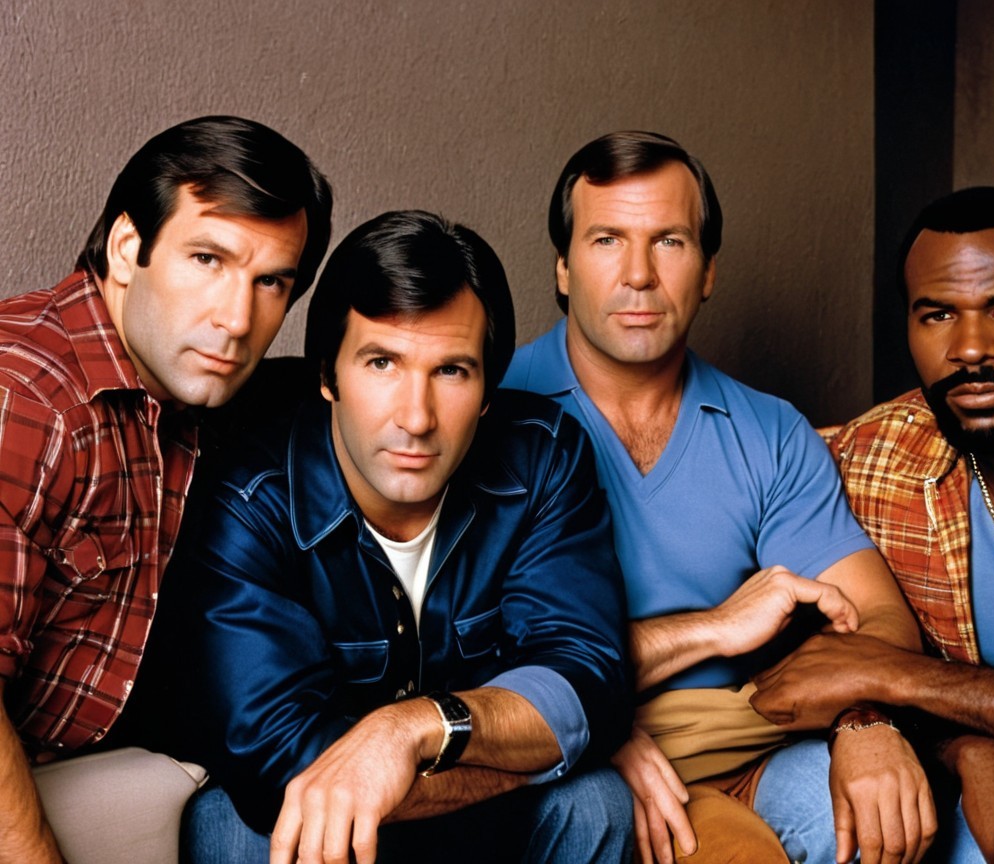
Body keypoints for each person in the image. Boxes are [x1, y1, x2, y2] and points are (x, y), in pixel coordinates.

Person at [502, 130, 934, 864]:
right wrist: (702, 638)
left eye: (669, 241)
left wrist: (865, 720)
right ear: (564, 268)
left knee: (884, 825)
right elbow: (468, 661)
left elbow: (879, 615)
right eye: (607, 240)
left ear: (707, 272)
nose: (638, 275)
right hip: (568, 753)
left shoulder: (766, 429)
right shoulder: (493, 412)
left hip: (747, 739)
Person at [162, 210, 634, 864]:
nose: (416, 417)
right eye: (382, 362)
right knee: (232, 824)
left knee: (595, 801)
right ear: (327, 374)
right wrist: (532, 753)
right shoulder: (251, 498)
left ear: (489, 390)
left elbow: (585, 680)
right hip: (333, 830)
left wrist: (410, 728)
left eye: (452, 372)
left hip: (481, 825)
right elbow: (280, 761)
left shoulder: (542, 457)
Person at [752, 186, 994, 863]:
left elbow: (876, 671)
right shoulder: (870, 461)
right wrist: (968, 748)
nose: (971, 349)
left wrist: (905, 680)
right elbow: (800, 673)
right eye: (938, 315)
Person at [0, 115, 332, 863]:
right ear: (127, 249)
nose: (237, 318)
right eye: (207, 259)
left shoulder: (182, 401)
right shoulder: (28, 401)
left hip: (82, 770)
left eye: (270, 281)